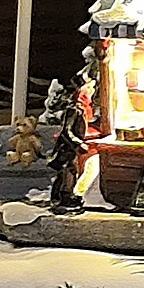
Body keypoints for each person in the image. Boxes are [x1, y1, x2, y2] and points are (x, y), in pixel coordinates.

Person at [47, 84, 89, 212]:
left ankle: (65, 196)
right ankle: (61, 198)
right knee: (67, 172)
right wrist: (78, 143)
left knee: (71, 171)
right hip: (67, 147)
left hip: (70, 148)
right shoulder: (73, 111)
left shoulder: (80, 110)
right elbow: (67, 131)